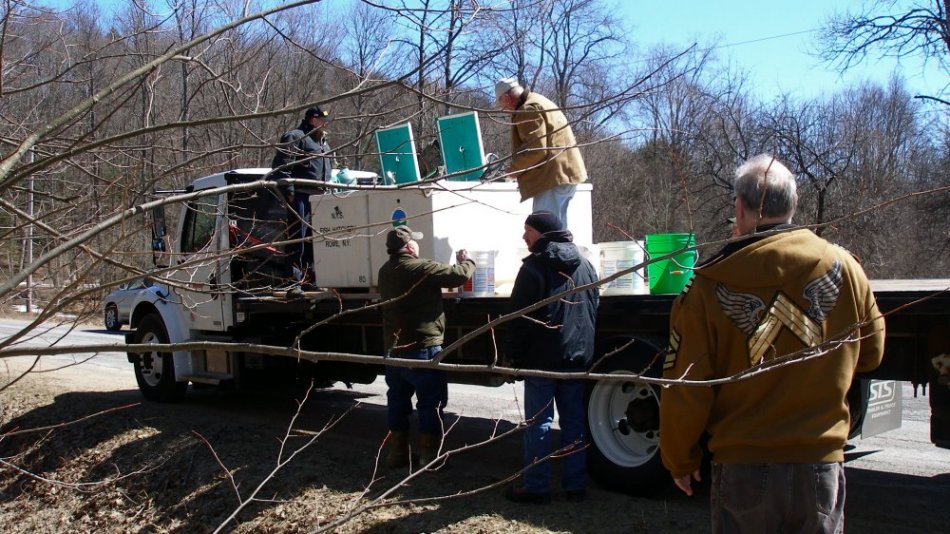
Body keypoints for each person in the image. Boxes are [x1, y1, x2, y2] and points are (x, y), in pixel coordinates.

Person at [658, 154, 886, 533]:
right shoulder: (845, 268)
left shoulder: (709, 285)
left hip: (744, 465)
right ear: (793, 205)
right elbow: (873, 353)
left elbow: (687, 386)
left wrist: (680, 459)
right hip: (820, 464)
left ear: (740, 207)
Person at [503, 211, 599, 504]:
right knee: (573, 423)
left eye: (527, 230)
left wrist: (513, 357)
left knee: (539, 423)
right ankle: (575, 486)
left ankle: (537, 487)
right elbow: (594, 308)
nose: (524, 237)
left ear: (542, 234)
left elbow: (518, 317)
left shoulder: (534, 267)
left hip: (541, 361)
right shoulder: (586, 265)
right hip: (576, 358)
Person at [377, 225, 475, 468]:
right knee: (430, 403)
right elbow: (458, 276)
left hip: (394, 349)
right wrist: (467, 260)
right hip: (423, 347)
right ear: (410, 247)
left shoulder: (384, 271)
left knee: (398, 402)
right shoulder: (420, 267)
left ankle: (397, 454)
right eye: (416, 242)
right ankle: (429, 457)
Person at [495, 77, 588, 229]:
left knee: (545, 230)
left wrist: (513, 169)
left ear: (507, 98)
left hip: (552, 178)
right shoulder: (537, 100)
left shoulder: (527, 109)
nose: (504, 109)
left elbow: (537, 151)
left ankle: (555, 253)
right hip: (563, 173)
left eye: (502, 104)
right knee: (558, 229)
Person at [271, 106, 333, 182]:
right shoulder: (294, 137)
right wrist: (288, 192)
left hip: (322, 191)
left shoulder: (322, 140)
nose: (325, 124)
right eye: (323, 121)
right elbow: (282, 169)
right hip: (300, 191)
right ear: (314, 120)